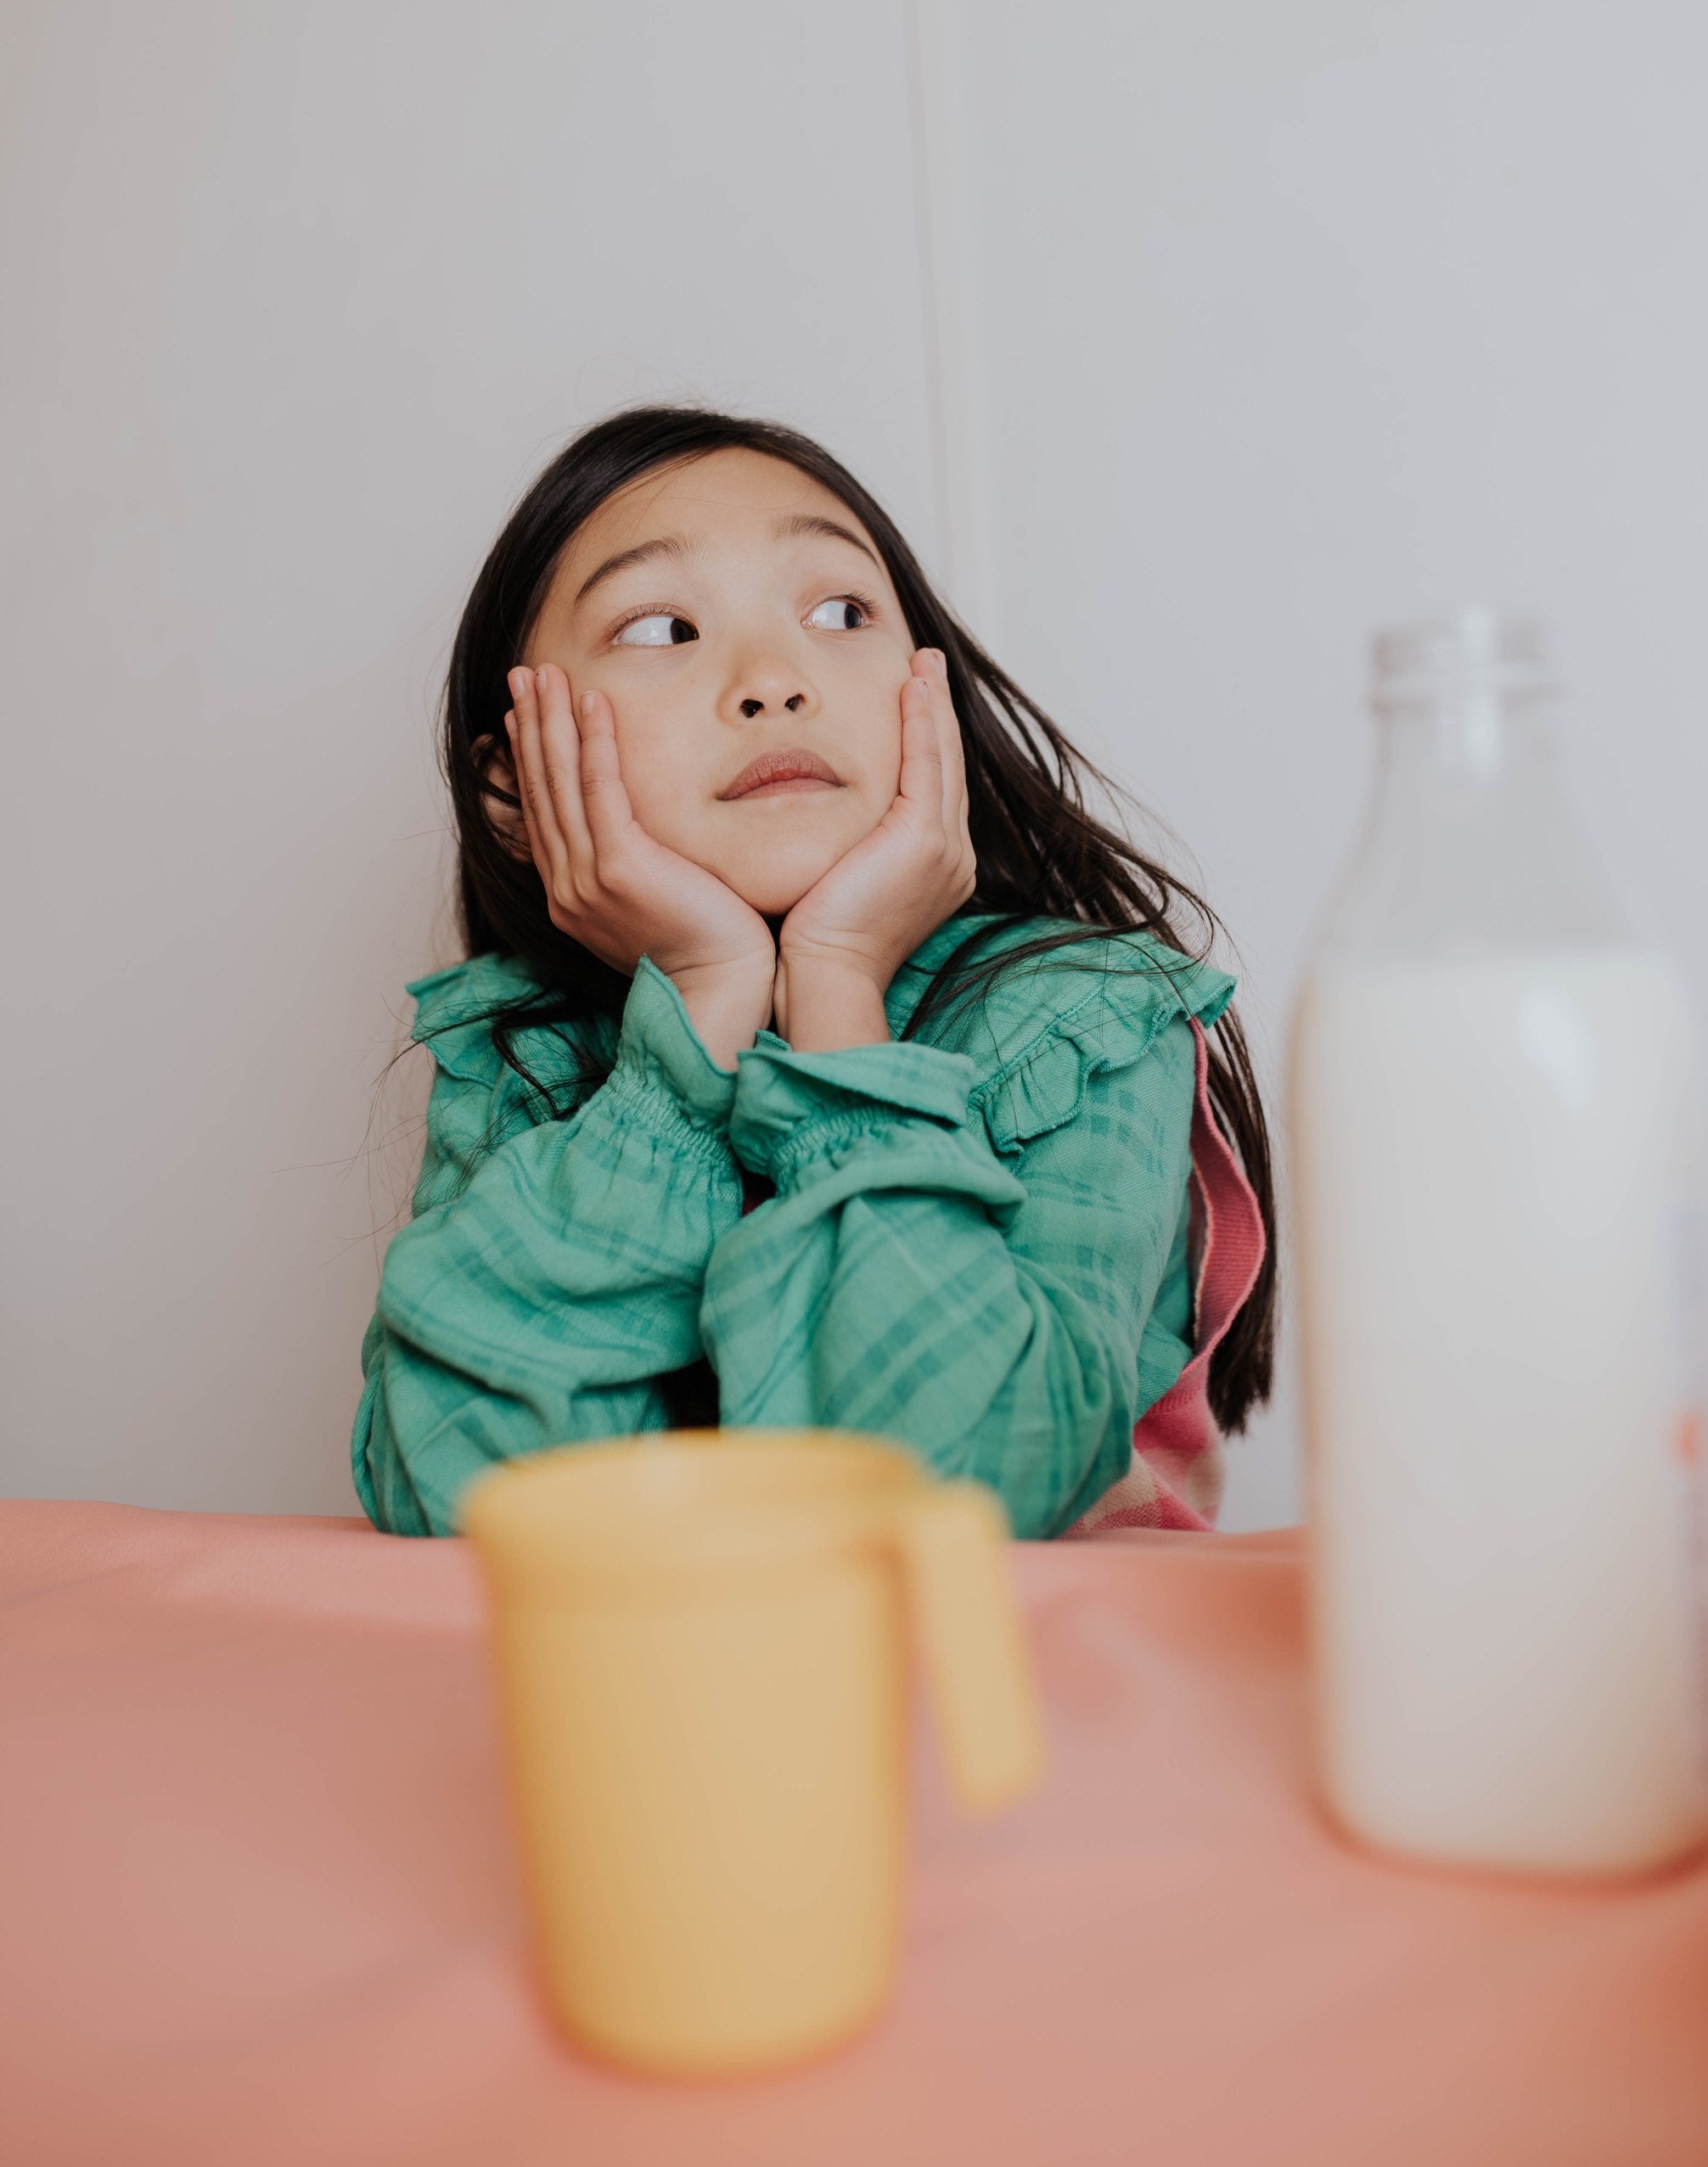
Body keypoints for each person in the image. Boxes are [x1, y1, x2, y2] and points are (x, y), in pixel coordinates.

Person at [352, 407, 1275, 1539]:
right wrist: (696, 1019)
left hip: (1022, 1700)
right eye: (661, 629)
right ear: (511, 789)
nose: (774, 679)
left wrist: (837, 987)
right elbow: (455, 1503)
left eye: (840, 612)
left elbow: (979, 1488)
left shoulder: (1076, 1022)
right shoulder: (525, 1056)